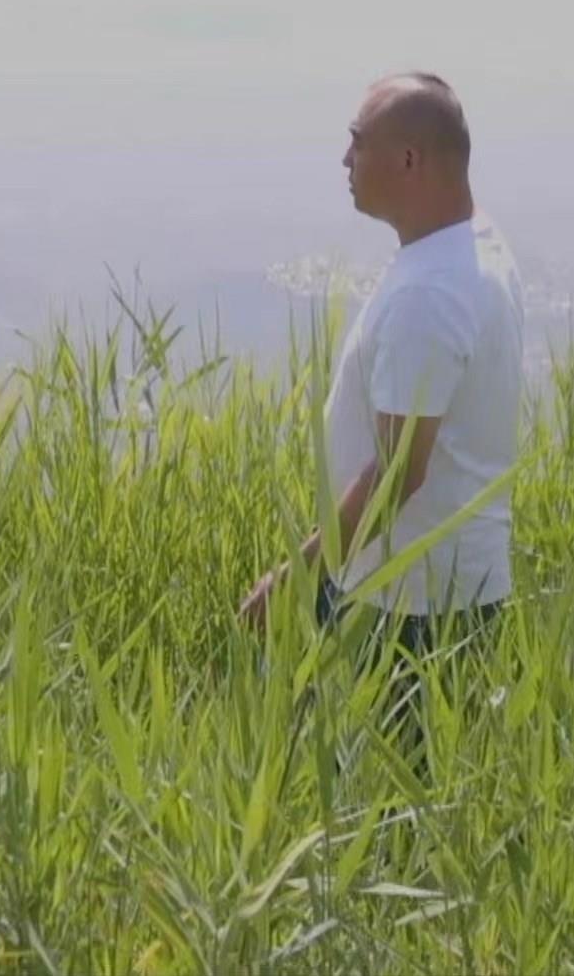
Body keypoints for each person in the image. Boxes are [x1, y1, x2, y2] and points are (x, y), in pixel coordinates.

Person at [239, 71, 526, 766]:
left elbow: (399, 475)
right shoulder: (474, 246)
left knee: (379, 797)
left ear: (408, 159)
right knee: (418, 791)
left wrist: (297, 577)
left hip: (409, 605)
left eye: (357, 141)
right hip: (447, 583)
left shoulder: (430, 292)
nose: (344, 159)